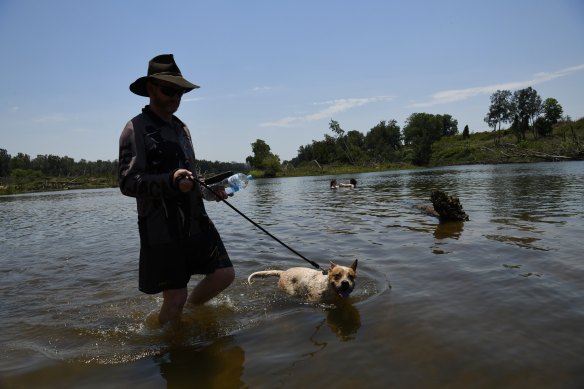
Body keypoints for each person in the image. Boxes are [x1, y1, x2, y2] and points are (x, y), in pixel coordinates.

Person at [118, 54, 235, 325]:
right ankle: (169, 350)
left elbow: (190, 177)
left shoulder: (182, 128)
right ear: (150, 89)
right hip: (161, 226)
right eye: (169, 90)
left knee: (224, 274)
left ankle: (193, 313)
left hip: (195, 218)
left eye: (180, 92)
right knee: (175, 296)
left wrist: (208, 191)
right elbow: (128, 182)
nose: (176, 97)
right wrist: (170, 181)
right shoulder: (135, 129)